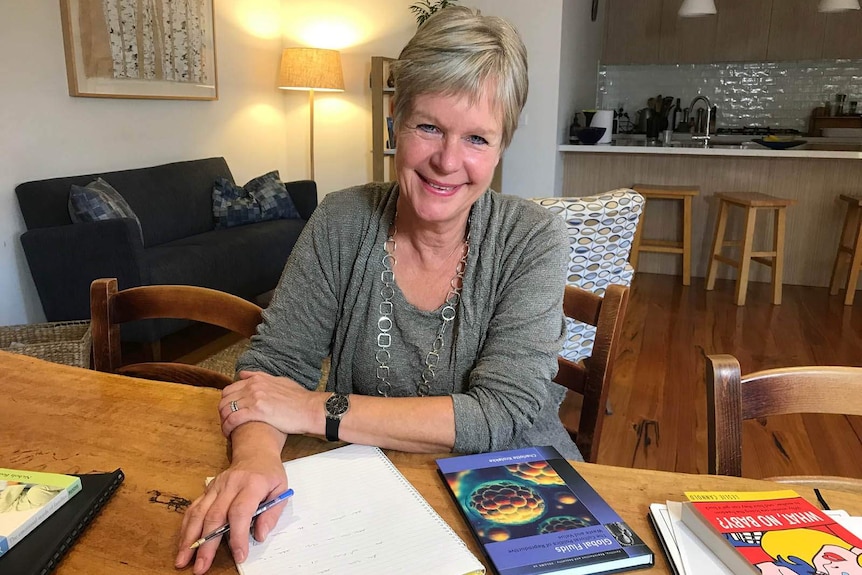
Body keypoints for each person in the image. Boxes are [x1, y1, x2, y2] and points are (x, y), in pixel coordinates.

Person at [175, 7, 580, 574]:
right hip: (372, 493)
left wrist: (316, 408)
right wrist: (255, 457)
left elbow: (502, 414)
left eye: (477, 139)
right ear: (396, 121)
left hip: (515, 495)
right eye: (429, 127)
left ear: (502, 145)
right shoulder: (343, 219)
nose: (447, 161)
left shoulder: (533, 238)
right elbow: (273, 368)